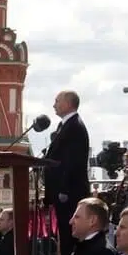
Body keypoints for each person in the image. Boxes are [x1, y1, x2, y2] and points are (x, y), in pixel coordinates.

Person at [44, 90, 92, 246]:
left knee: (70, 234)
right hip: (61, 192)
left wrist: (63, 190)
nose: (54, 105)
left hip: (69, 193)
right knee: (64, 234)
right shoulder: (65, 125)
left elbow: (72, 161)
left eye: (57, 101)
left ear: (68, 103)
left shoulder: (74, 127)